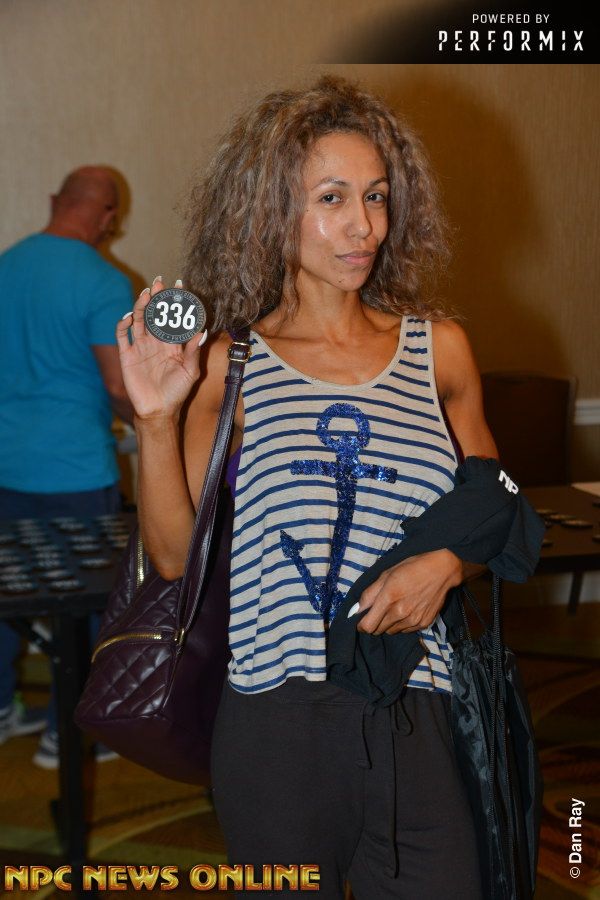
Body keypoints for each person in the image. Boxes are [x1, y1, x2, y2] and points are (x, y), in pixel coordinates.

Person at [118, 77, 498, 898]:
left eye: (376, 196)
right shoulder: (231, 365)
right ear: (270, 212)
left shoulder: (440, 352)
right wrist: (155, 418)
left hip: (418, 708)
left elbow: (494, 510)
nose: (364, 226)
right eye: (331, 199)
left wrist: (445, 565)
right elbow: (176, 558)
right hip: (277, 725)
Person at [0, 166, 134, 767]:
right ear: (108, 218)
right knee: (85, 607)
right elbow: (118, 384)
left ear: (56, 200)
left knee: (9, 596)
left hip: (6, 466)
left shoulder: (6, 266)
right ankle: (67, 735)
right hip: (73, 473)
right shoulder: (103, 281)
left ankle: (2, 709)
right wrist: (156, 427)